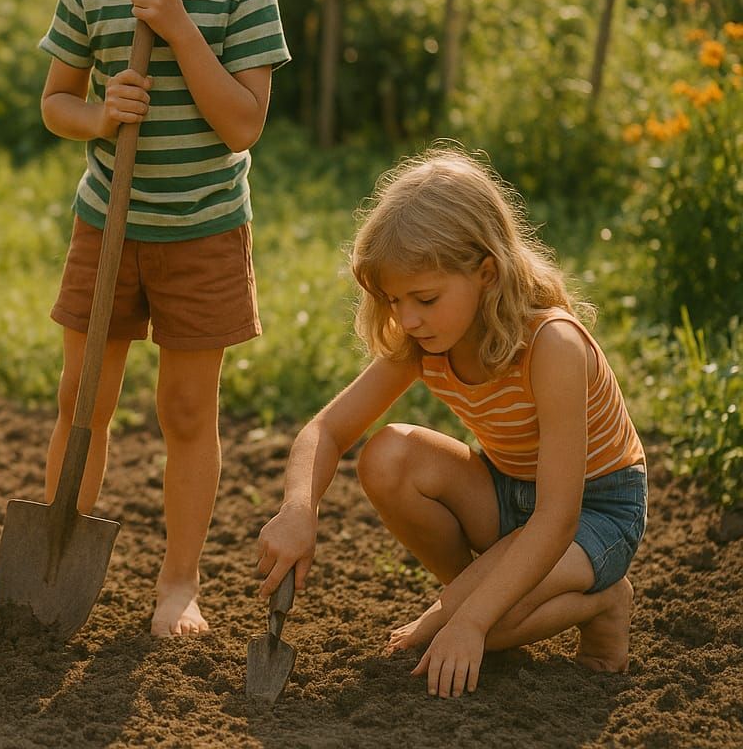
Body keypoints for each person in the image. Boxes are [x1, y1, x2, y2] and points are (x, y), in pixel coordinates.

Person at [36, 0, 290, 637]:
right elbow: (57, 102)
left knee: (185, 412)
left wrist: (180, 30)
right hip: (107, 226)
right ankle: (56, 557)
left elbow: (243, 124)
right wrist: (100, 115)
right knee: (83, 402)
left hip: (201, 232)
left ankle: (179, 583)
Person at [256, 147, 646, 697]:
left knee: (483, 624)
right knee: (388, 456)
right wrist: (299, 508)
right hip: (508, 492)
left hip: (594, 511)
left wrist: (466, 619)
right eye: (394, 299)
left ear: (487, 272)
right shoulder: (423, 339)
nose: (407, 318)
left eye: (425, 298)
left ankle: (604, 602)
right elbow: (327, 430)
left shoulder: (552, 345)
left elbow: (558, 518)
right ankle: (475, 597)